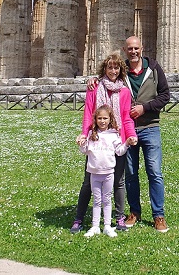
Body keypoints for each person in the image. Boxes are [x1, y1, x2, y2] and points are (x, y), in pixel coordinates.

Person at [88, 35, 171, 232]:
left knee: (155, 172)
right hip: (127, 131)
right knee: (131, 174)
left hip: (150, 127)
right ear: (125, 50)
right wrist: (92, 80)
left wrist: (145, 108)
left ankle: (158, 215)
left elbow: (165, 95)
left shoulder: (154, 68)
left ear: (141, 48)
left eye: (136, 48)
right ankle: (134, 212)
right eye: (129, 49)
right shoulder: (121, 71)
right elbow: (106, 78)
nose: (133, 51)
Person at [70, 54, 136, 234]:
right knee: (87, 183)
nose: (113, 71)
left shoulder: (124, 91)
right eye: (110, 68)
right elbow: (88, 114)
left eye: (116, 68)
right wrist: (85, 134)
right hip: (96, 139)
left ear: (121, 70)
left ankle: (119, 217)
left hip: (116, 138)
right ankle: (79, 218)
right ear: (104, 69)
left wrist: (130, 136)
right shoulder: (94, 87)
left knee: (118, 182)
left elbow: (126, 117)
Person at [78, 105, 137, 237]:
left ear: (110, 119)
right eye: (99, 118)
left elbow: (119, 151)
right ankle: (94, 226)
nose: (102, 121)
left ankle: (107, 226)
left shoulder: (113, 135)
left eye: (105, 118)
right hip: (94, 173)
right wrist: (81, 143)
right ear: (95, 119)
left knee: (107, 199)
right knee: (97, 200)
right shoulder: (91, 135)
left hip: (109, 173)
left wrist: (127, 143)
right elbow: (84, 151)